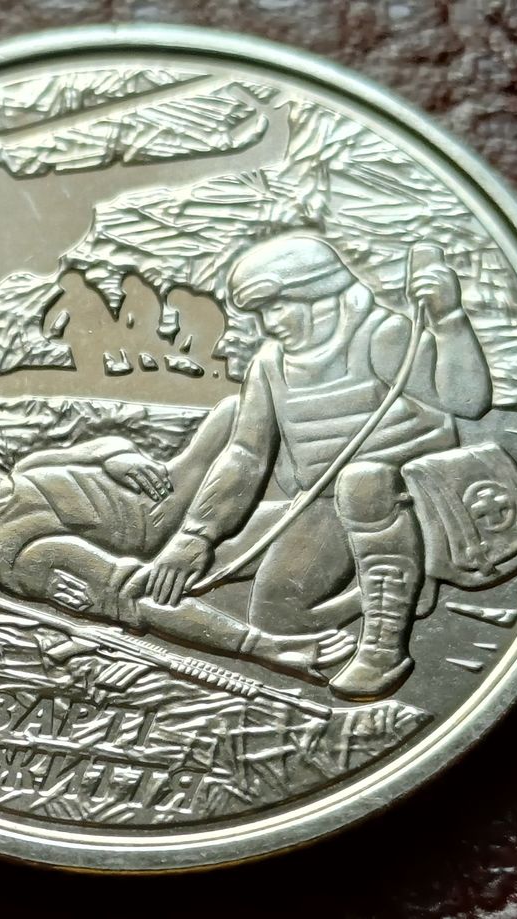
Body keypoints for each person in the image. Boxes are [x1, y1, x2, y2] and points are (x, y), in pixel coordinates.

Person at [145, 233, 493, 701]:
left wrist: (449, 321)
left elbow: (467, 402)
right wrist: (196, 535)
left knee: (362, 482)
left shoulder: (382, 336)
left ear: (319, 292)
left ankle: (384, 642)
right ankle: (398, 589)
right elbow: (246, 455)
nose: (270, 325)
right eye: (262, 313)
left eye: (278, 307)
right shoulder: (270, 364)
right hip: (326, 503)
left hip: (412, 498)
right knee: (276, 617)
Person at [0, 398, 355, 685]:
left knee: (240, 409)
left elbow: (93, 449)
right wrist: (261, 647)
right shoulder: (28, 556)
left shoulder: (23, 472)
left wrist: (117, 457)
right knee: (316, 517)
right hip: (166, 535)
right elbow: (142, 601)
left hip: (167, 485)